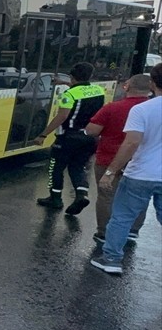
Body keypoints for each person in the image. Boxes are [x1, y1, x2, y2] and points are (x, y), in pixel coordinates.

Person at [90, 62, 162, 275]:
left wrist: (111, 172)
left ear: (152, 84)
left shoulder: (142, 110)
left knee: (122, 217)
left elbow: (131, 143)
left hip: (140, 174)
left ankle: (111, 259)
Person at [84, 73, 151, 243]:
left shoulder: (112, 108)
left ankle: (104, 232)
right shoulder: (154, 109)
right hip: (142, 162)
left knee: (107, 196)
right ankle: (132, 230)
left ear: (127, 87)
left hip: (108, 159)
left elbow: (92, 130)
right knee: (137, 197)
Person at [33, 62, 104, 215]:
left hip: (68, 137)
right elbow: (82, 89)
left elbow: (62, 115)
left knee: (56, 167)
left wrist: (43, 134)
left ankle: (55, 198)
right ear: (90, 76)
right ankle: (81, 194)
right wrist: (65, 83)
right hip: (90, 137)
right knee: (78, 167)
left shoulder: (69, 95)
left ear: (72, 77)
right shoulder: (98, 90)